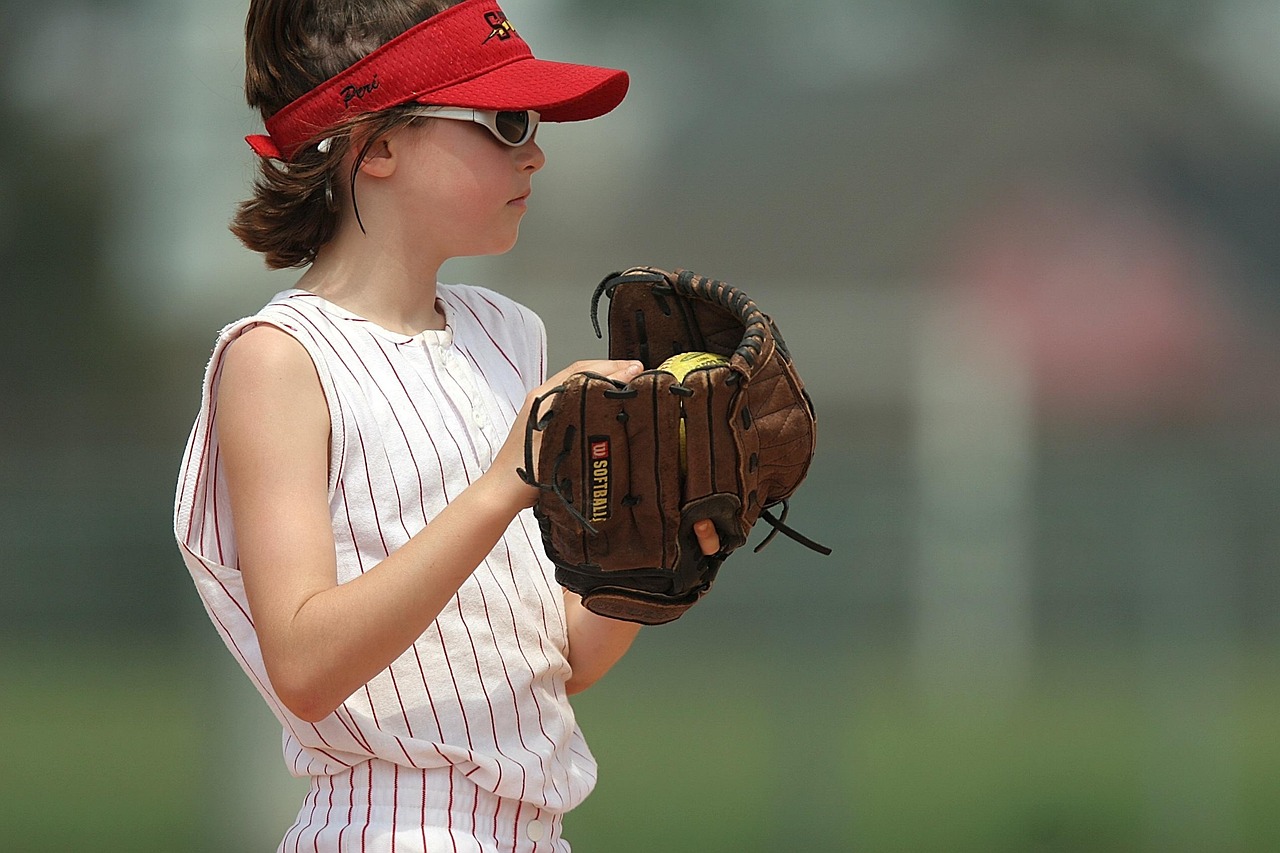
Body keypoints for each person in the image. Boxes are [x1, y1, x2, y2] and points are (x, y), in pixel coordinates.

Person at [173, 0, 718, 850]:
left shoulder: (507, 332)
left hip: (538, 831)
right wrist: (507, 481)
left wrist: (671, 545)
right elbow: (304, 666)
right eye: (504, 120)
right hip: (388, 826)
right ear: (377, 142)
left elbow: (556, 661)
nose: (535, 149)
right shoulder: (279, 359)